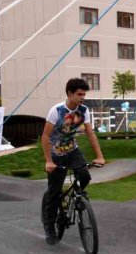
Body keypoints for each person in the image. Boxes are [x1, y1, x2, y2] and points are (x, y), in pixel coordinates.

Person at [41, 78, 105, 244]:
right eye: (79, 94)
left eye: (84, 94)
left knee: (85, 176)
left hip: (72, 150)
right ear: (69, 93)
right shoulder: (56, 111)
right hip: (56, 153)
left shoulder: (84, 110)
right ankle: (49, 226)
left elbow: (90, 134)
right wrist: (48, 161)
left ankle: (75, 198)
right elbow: (45, 136)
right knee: (54, 193)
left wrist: (100, 156)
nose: (82, 97)